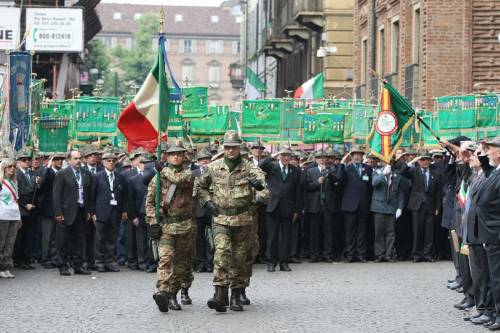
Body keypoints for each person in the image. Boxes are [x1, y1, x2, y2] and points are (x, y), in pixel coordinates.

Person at [197, 130, 266, 312]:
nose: (230, 151)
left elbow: (264, 189)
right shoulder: (213, 167)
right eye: (227, 148)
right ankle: (220, 294)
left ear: (239, 148)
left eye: (234, 147)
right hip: (221, 218)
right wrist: (207, 202)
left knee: (240, 258)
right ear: (223, 148)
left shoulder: (250, 168)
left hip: (244, 220)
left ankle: (236, 294)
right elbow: (200, 187)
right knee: (221, 252)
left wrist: (258, 190)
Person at [146, 141, 196, 313]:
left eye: (179, 154)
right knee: (166, 259)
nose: (175, 156)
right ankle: (162, 292)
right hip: (166, 227)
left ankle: (174, 293)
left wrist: (162, 169)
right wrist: (153, 222)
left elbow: (178, 180)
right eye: (172, 154)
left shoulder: (189, 175)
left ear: (184, 157)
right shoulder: (157, 179)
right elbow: (150, 203)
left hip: (184, 227)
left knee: (180, 265)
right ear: (167, 156)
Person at [259, 144, 302, 272]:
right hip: (273, 206)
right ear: (279, 156)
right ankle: (271, 262)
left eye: (288, 155)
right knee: (272, 236)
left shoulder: (296, 171)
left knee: (286, 237)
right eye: (283, 155)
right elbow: (260, 166)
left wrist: (297, 210)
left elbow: (298, 192)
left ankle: (284, 262)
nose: (285, 158)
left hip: (288, 208)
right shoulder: (272, 167)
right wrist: (272, 156)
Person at [52, 150, 92, 276]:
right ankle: (63, 266)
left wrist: (89, 210)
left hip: (81, 210)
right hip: (66, 211)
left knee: (79, 240)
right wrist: (58, 212)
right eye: (75, 158)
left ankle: (78, 265)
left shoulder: (86, 173)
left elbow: (88, 194)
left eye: (80, 158)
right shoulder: (62, 174)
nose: (78, 161)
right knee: (63, 241)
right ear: (68, 160)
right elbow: (56, 194)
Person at [475, 136, 500, 330]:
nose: (487, 152)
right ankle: (493, 311)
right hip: (489, 232)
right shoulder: (494, 171)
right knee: (493, 276)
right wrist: (482, 153)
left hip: (496, 231)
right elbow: (486, 168)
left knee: (498, 277)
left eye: (490, 149)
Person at [400, 152, 442, 262]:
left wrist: (438, 207)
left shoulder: (435, 174)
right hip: (417, 205)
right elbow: (402, 172)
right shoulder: (414, 171)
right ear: (419, 161)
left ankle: (428, 254)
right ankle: (417, 254)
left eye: (427, 160)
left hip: (430, 206)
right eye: (423, 160)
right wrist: (412, 161)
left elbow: (438, 193)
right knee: (417, 230)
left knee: (429, 232)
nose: (425, 162)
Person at [90, 151, 125, 273]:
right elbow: (92, 196)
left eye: (113, 161)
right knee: (100, 238)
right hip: (101, 212)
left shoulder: (120, 177)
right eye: (108, 161)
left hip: (115, 212)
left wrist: (123, 211)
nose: (111, 163)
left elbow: (123, 196)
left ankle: (111, 261)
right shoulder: (97, 177)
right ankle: (99, 261)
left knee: (112, 237)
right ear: (103, 162)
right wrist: (93, 212)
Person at [337, 145, 373, 262]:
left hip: (363, 204)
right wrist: (342, 164)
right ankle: (350, 254)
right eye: (355, 154)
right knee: (349, 231)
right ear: (351, 156)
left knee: (361, 231)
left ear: (363, 156)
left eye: (359, 154)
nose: (357, 156)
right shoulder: (346, 168)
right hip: (350, 204)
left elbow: (369, 187)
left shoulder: (367, 168)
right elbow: (339, 178)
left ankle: (361, 254)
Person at [370, 159, 405, 262]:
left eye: (390, 162)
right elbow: (374, 183)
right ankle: (379, 254)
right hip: (379, 206)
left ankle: (389, 254)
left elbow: (400, 192)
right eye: (385, 161)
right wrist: (383, 174)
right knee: (379, 232)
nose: (388, 164)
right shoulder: (376, 172)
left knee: (391, 233)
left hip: (392, 207)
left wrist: (400, 207)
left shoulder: (397, 175)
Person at [126, 153, 154, 272]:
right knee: (141, 239)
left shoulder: (155, 177)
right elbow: (130, 200)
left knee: (152, 238)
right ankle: (142, 262)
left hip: (152, 212)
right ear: (140, 164)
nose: (148, 166)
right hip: (140, 213)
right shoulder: (133, 180)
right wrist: (133, 216)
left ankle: (152, 261)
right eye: (145, 163)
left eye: (150, 163)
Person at [38, 153, 65, 269]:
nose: (60, 161)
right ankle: (45, 258)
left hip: (59, 209)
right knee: (47, 236)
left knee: (56, 236)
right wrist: (48, 165)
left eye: (61, 159)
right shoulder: (47, 171)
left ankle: (54, 258)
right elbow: (42, 181)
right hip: (48, 208)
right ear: (52, 161)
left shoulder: (62, 172)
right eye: (57, 159)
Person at [14, 148, 38, 269]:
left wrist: (38, 184)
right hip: (21, 209)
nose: (27, 162)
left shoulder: (33, 173)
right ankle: (19, 260)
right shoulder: (16, 173)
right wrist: (24, 204)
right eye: (24, 160)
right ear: (18, 162)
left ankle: (26, 259)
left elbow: (35, 191)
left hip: (32, 209)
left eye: (28, 160)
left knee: (29, 235)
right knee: (20, 236)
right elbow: (17, 192)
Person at [0, 158, 22, 278]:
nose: (12, 169)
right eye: (9, 166)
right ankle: (1, 268)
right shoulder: (1, 181)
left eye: (14, 166)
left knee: (10, 243)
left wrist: (19, 218)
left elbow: (16, 200)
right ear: (3, 168)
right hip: (2, 215)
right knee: (1, 243)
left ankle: (7, 266)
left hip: (14, 215)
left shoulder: (15, 182)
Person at [193, 149, 214, 273]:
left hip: (212, 209)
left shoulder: (215, 172)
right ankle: (200, 262)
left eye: (207, 159)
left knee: (211, 237)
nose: (205, 161)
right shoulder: (193, 173)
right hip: (198, 210)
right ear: (197, 162)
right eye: (202, 159)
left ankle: (210, 262)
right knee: (199, 238)